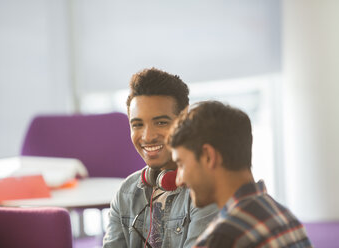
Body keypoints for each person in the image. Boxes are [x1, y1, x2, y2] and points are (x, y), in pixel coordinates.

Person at [168, 101, 313, 248]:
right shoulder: (286, 218)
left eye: (181, 164)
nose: (179, 180)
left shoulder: (221, 238)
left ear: (208, 156)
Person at [103, 68, 219, 248]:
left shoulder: (206, 190)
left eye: (161, 122)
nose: (147, 137)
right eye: (137, 125)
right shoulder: (127, 192)